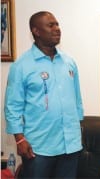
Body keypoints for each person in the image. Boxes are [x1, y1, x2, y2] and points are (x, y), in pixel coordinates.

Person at [4, 11, 84, 178]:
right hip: (38, 147)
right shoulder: (21, 66)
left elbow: (77, 99)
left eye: (57, 24)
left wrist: (78, 127)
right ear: (36, 31)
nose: (57, 29)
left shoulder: (69, 62)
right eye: (51, 25)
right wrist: (19, 139)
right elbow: (12, 106)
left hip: (70, 144)